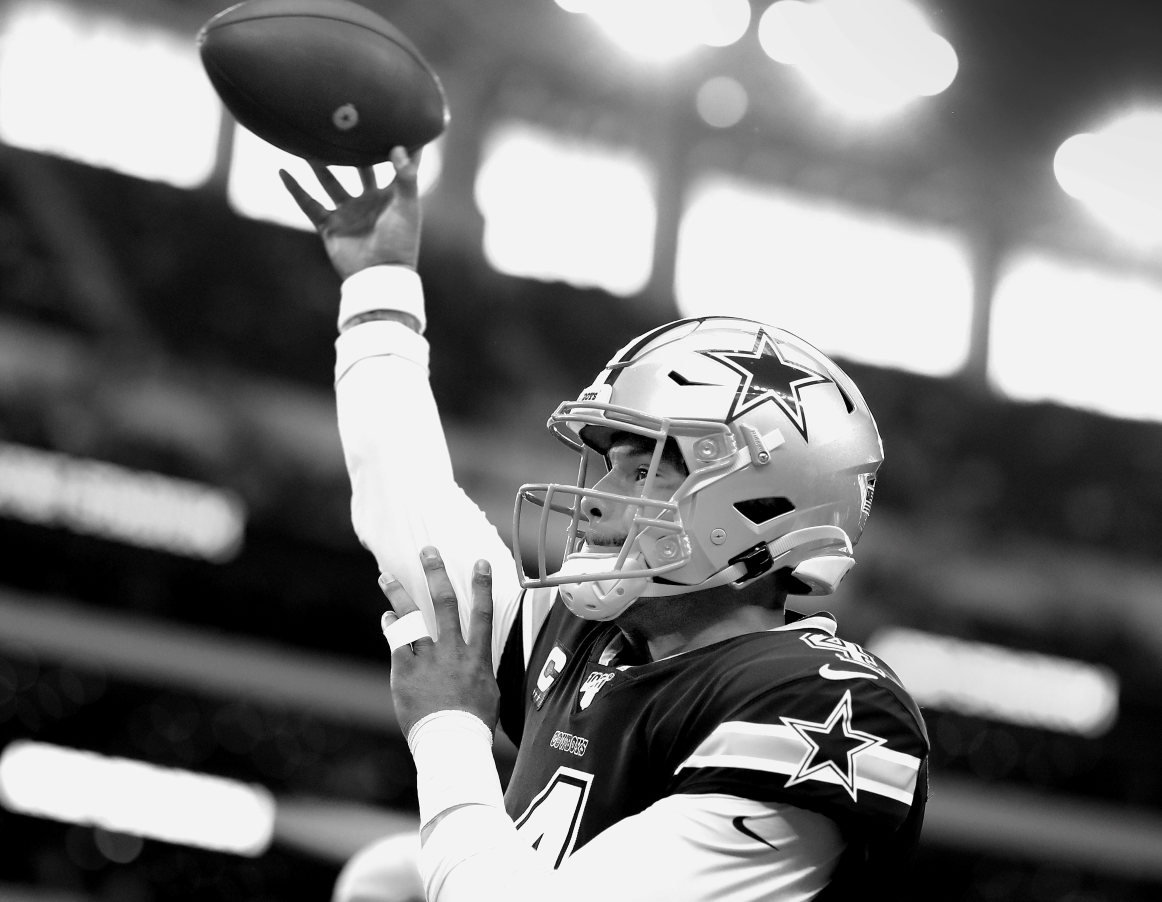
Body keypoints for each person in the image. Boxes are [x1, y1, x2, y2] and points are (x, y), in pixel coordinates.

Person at [283, 149, 928, 902]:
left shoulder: (821, 702)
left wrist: (449, 733)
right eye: (609, 462)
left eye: (648, 467)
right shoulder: (593, 637)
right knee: (383, 878)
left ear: (763, 507)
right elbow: (404, 501)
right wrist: (378, 285)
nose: (598, 498)